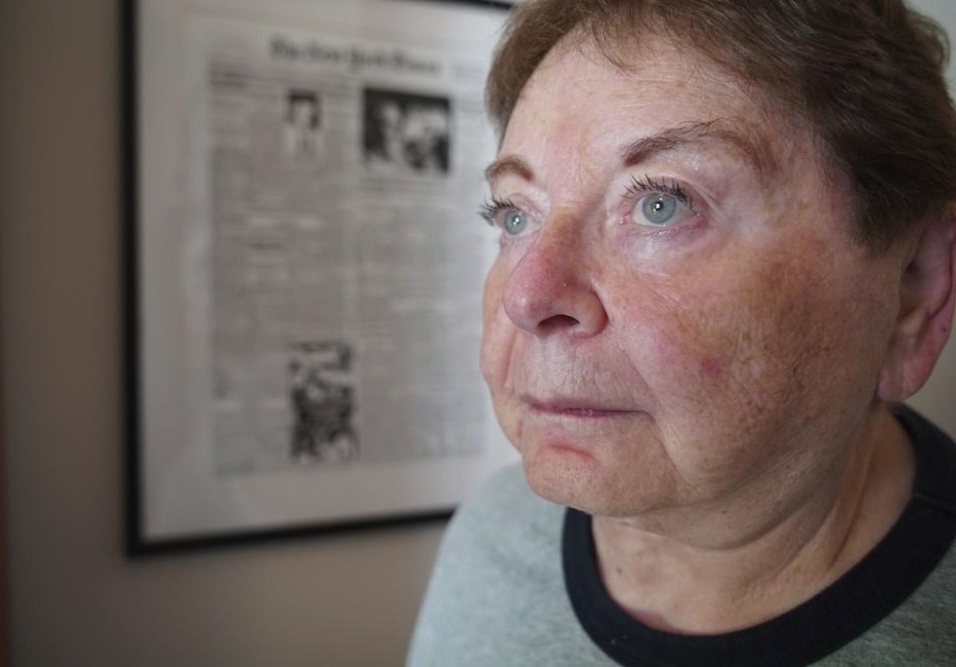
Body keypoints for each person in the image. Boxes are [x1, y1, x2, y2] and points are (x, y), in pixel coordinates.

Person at [408, 1, 956, 665]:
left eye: (662, 203)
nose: (527, 297)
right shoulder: (492, 537)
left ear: (914, 288)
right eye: (514, 215)